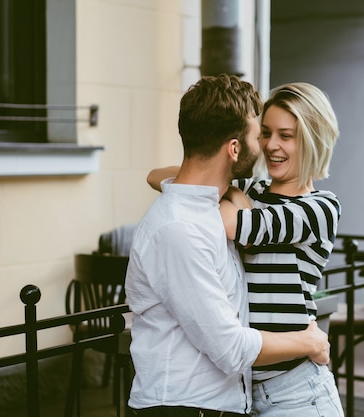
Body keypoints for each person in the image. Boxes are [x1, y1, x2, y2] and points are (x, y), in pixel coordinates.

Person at [125, 74, 331, 417]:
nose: (266, 145)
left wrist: (220, 186)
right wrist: (310, 342)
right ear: (234, 148)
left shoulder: (312, 207)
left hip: (289, 390)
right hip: (189, 406)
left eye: (284, 136)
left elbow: (182, 185)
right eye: (260, 134)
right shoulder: (187, 226)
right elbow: (230, 347)